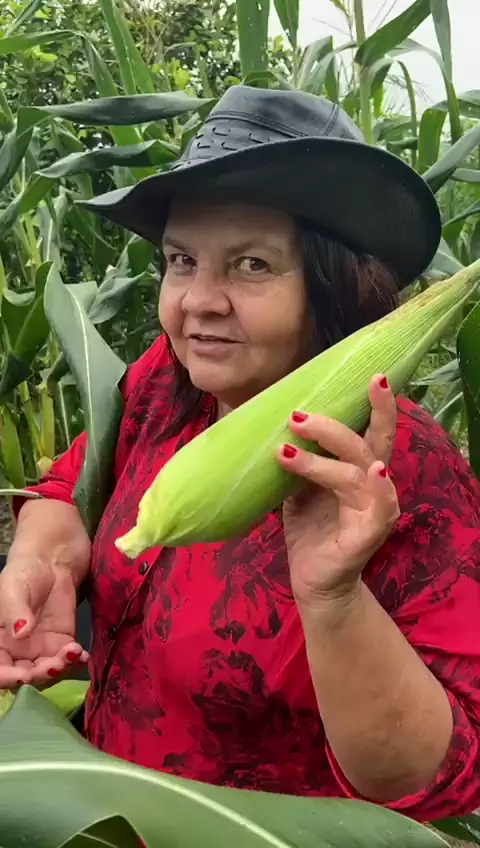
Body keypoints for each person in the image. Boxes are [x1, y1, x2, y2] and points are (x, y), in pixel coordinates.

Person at [1, 86, 480, 823]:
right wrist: (44, 563)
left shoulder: (399, 470)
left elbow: (442, 774)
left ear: (334, 286)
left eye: (251, 264)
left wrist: (334, 600)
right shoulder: (168, 382)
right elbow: (72, 484)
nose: (198, 301)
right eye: (182, 259)